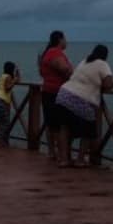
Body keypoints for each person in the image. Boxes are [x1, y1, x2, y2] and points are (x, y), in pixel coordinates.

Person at [52, 44, 113, 168]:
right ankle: (80, 159)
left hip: (63, 95)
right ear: (105, 55)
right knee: (89, 130)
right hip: (80, 99)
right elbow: (108, 84)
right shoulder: (103, 64)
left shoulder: (85, 60)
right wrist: (110, 85)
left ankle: (64, 160)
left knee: (64, 128)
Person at [37, 30, 73, 160]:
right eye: (65, 39)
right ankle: (61, 154)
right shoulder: (55, 53)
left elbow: (43, 72)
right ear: (60, 40)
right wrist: (75, 74)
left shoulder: (47, 53)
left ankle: (52, 151)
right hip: (57, 93)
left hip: (48, 91)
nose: (67, 41)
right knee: (60, 125)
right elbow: (64, 69)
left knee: (50, 123)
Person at [0, 61, 20, 147]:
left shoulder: (2, 76)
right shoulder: (8, 77)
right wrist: (14, 82)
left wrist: (18, 74)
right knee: (5, 123)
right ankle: (1, 140)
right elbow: (7, 88)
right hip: (2, 101)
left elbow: (17, 81)